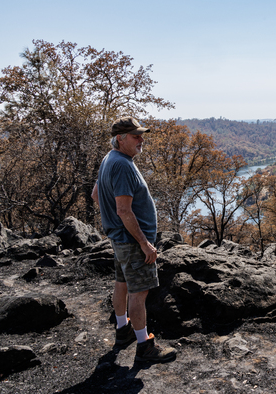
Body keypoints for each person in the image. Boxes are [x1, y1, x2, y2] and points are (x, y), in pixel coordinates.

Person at [92, 116, 175, 362]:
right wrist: (144, 243)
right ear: (120, 138)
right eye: (135, 136)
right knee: (140, 292)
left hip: (119, 239)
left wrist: (115, 223)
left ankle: (122, 330)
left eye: (141, 135)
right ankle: (144, 347)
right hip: (131, 241)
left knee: (122, 283)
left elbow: (96, 194)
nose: (141, 140)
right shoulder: (123, 165)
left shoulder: (110, 159)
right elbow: (124, 210)